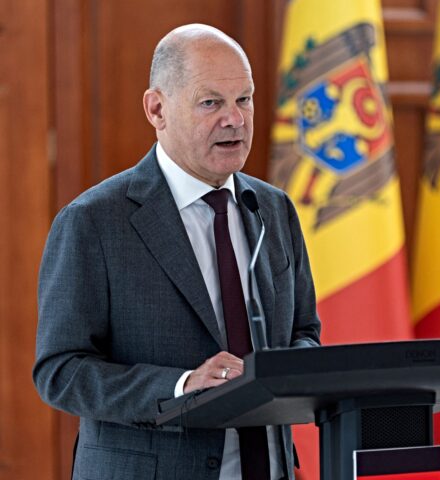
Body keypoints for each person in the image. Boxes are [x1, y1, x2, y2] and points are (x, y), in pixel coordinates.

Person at [33, 24, 321, 480]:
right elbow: (60, 371)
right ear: (157, 109)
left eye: (244, 99)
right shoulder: (93, 221)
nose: (235, 119)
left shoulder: (273, 208)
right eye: (211, 103)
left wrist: (295, 368)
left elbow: (304, 330)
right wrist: (183, 386)